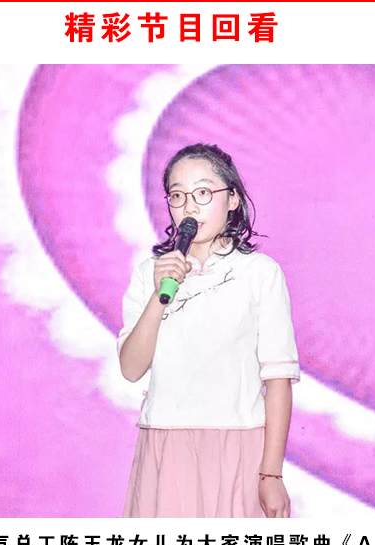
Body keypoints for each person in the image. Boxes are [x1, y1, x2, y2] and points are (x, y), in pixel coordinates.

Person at [117, 143, 300, 518]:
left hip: (237, 445)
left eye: (203, 193)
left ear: (232, 199)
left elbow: (278, 381)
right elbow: (131, 368)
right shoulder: (149, 274)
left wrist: (271, 473)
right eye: (178, 196)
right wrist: (159, 294)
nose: (189, 207)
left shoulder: (259, 274)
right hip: (165, 443)